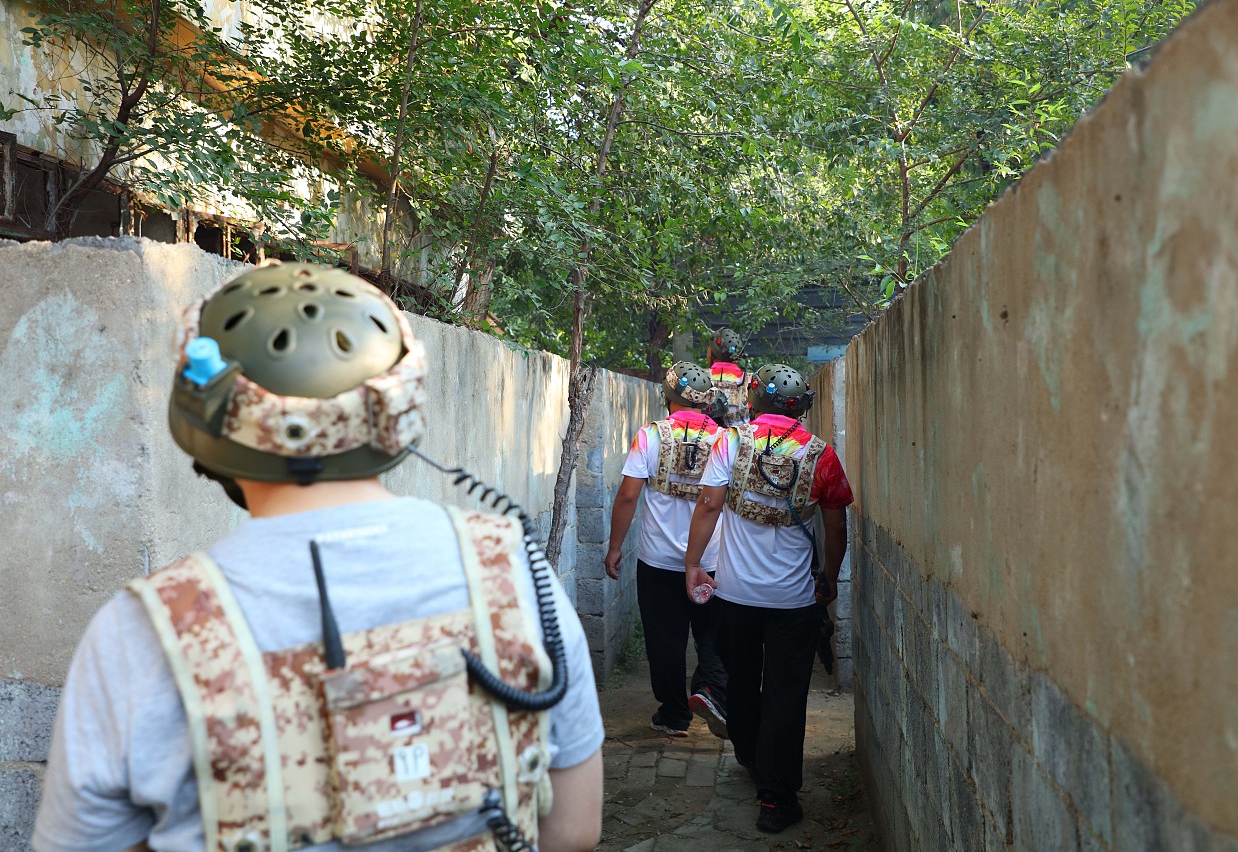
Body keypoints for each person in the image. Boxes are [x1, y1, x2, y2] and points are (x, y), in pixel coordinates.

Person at [34, 263, 604, 852]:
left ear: (206, 414)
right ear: (398, 410)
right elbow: (574, 829)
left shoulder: (143, 632)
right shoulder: (510, 569)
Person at [683, 363, 853, 833]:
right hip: (793, 600)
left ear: (755, 399)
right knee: (786, 692)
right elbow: (836, 525)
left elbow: (709, 505)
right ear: (800, 408)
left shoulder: (730, 442)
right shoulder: (821, 455)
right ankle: (776, 799)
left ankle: (749, 754)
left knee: (740, 678)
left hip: (735, 595)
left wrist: (694, 563)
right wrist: (831, 577)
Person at [604, 362, 729, 739]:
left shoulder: (650, 436)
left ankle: (675, 715)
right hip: (711, 559)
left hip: (658, 561)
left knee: (664, 639)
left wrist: (615, 547)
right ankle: (709, 690)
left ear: (668, 397)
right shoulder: (726, 440)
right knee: (713, 634)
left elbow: (628, 495)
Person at [705, 328, 752, 427]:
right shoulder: (749, 380)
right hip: (740, 440)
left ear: (711, 350)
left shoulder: (700, 378)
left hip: (708, 439)